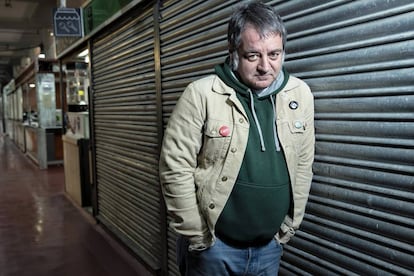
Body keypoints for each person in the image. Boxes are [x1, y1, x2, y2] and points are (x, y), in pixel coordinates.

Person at [159, 1, 315, 275]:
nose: (266, 66)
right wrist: (198, 236)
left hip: (269, 248)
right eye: (253, 56)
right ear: (233, 53)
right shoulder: (202, 95)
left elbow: (303, 163)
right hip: (214, 251)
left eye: (274, 54)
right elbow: (175, 167)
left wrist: (290, 225)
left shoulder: (299, 95)